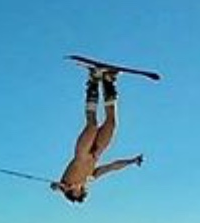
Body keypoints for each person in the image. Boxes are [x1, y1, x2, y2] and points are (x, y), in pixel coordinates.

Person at [51, 67, 144, 203]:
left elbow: (55, 187)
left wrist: (59, 188)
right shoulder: (90, 177)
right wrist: (132, 161)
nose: (79, 189)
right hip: (96, 152)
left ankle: (94, 79)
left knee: (92, 125)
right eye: (81, 191)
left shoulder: (66, 182)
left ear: (71, 192)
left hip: (82, 152)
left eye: (75, 192)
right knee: (111, 123)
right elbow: (111, 167)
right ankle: (108, 81)